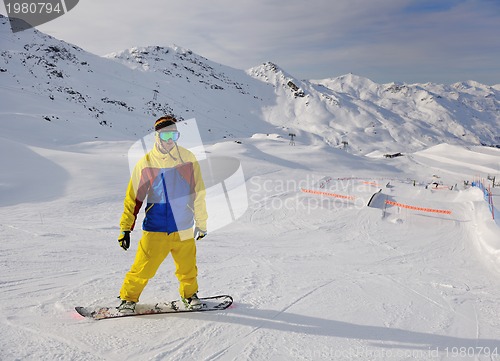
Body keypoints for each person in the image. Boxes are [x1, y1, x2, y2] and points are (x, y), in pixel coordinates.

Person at [117, 115, 208, 313]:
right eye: (166, 135)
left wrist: (201, 223)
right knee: (143, 268)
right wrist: (125, 228)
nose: (170, 140)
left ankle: (190, 295)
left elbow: (198, 193)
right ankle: (128, 299)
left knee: (188, 268)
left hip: (183, 226)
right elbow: (133, 198)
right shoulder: (147, 163)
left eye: (174, 135)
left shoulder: (188, 159)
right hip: (155, 227)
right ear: (157, 136)